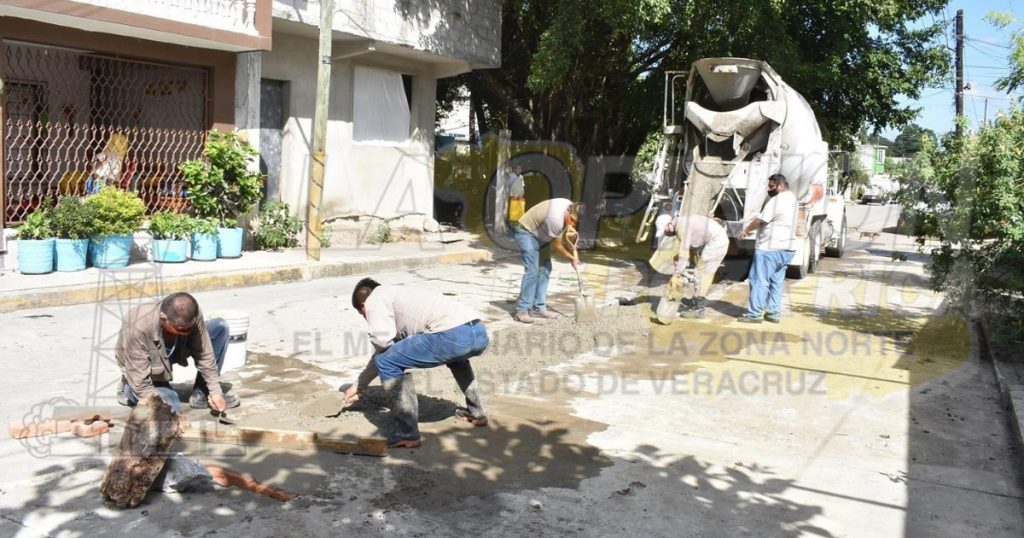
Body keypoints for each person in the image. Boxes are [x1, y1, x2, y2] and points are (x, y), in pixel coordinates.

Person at [343, 278, 490, 448]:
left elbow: (382, 345)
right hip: (478, 332)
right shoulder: (398, 294)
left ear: (362, 307)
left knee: (386, 362)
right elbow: (388, 349)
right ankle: (476, 412)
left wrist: (359, 385)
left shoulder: (374, 299)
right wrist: (359, 385)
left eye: (363, 314)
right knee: (457, 359)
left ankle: (407, 433)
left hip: (451, 336)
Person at [115, 292, 239, 413]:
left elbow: (205, 354)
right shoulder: (137, 326)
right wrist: (156, 404)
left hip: (175, 351)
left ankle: (202, 392)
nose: (187, 331)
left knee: (220, 327)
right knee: (171, 405)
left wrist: (215, 391)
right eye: (181, 329)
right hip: (142, 371)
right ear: (163, 318)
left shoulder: (192, 313)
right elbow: (140, 384)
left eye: (189, 328)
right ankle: (127, 387)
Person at [737, 174, 798, 323]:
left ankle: (755, 314)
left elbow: (760, 221)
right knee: (776, 281)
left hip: (770, 248)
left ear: (780, 186)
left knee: (759, 280)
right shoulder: (793, 200)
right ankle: (773, 313)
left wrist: (746, 230)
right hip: (787, 248)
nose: (769, 190)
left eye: (771, 187)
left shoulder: (777, 201)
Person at [511, 198, 581, 323]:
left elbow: (561, 232)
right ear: (567, 211)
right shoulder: (555, 220)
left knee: (545, 268)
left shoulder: (571, 207)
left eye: (575, 222)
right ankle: (521, 311)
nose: (572, 223)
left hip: (541, 234)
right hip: (526, 231)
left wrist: (569, 226)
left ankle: (538, 307)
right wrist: (571, 258)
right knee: (532, 270)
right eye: (571, 219)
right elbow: (557, 245)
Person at [663, 214, 729, 318]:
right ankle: (695, 301)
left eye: (671, 233)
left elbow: (684, 254)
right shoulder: (682, 220)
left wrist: (676, 274)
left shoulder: (681, 227)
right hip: (716, 239)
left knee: (701, 275)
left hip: (717, 243)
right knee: (699, 273)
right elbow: (693, 244)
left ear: (669, 224)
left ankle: (699, 310)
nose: (672, 235)